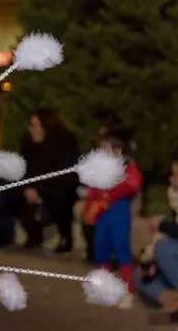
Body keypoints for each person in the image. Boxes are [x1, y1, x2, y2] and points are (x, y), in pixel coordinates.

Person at [82, 128, 143, 309]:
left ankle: (127, 291)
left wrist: (110, 191)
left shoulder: (128, 167)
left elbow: (132, 185)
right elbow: (92, 191)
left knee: (122, 251)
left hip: (118, 214)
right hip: (102, 215)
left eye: (105, 148)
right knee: (101, 250)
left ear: (118, 150)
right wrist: (88, 211)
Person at [19, 109, 80, 253]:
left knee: (59, 199)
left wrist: (40, 191)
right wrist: (27, 187)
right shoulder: (28, 144)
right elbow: (24, 169)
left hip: (59, 189)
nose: (31, 129)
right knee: (12, 195)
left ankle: (65, 236)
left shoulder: (64, 144)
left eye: (34, 125)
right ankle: (33, 235)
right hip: (35, 189)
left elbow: (65, 176)